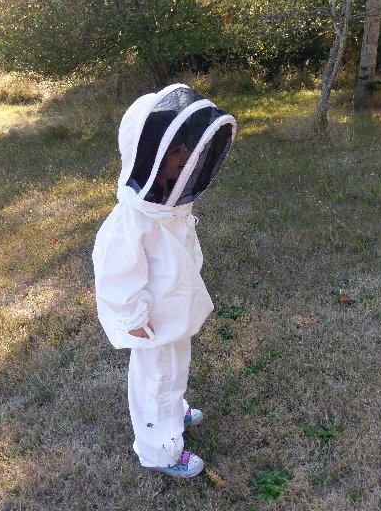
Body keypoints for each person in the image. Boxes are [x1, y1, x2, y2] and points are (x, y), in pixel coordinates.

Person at [92, 83, 236, 478]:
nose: (185, 159)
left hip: (172, 312)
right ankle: (160, 449)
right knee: (157, 379)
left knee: (175, 369)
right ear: (148, 157)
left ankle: (174, 411)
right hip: (151, 321)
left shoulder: (169, 206)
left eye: (187, 150)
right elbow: (116, 275)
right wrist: (133, 315)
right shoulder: (133, 220)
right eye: (175, 152)